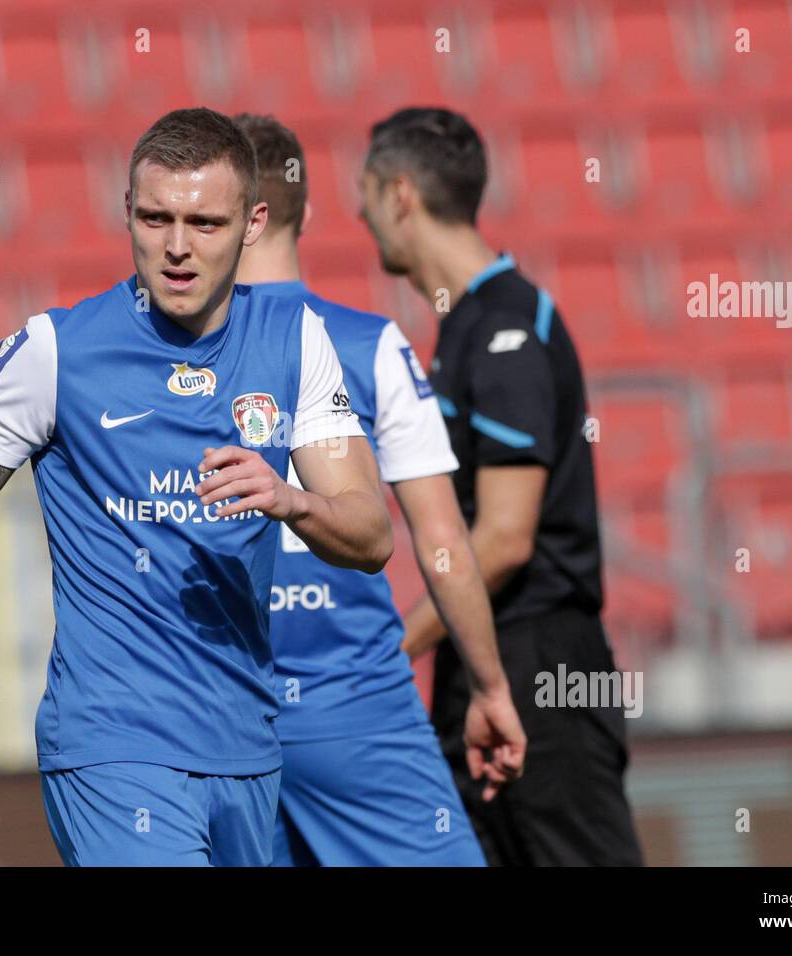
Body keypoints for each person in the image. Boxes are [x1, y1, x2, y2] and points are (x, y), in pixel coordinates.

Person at [0, 107, 394, 867]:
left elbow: (372, 534)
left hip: (247, 745)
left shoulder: (294, 342)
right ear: (126, 210)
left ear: (254, 223)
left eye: (205, 222)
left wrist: (292, 498)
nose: (178, 247)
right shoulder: (57, 351)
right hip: (112, 746)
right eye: (156, 217)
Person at [231, 113, 526, 866]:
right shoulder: (369, 344)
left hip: (221, 717)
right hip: (353, 706)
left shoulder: (171, 360)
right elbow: (443, 541)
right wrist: (489, 687)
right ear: (304, 213)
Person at [359, 107, 644, 866]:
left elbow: (507, 537)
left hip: (543, 661)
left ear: (398, 195)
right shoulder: (465, 327)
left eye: (365, 193)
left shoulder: (509, 327)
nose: (358, 214)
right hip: (484, 652)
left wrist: (388, 646)